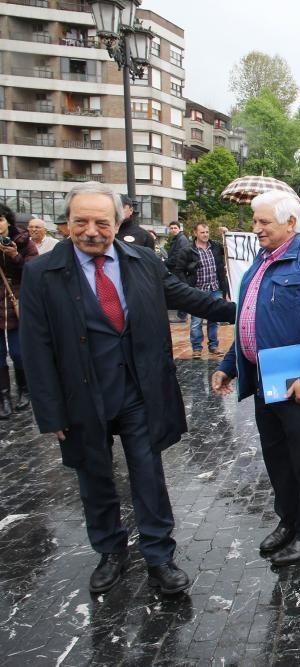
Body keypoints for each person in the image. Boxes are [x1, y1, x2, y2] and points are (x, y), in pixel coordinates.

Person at [19, 182, 236, 595]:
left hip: (139, 390)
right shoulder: (41, 273)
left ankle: (159, 557)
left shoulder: (143, 262)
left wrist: (246, 311)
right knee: (95, 478)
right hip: (81, 397)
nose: (91, 230)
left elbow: (190, 298)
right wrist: (50, 412)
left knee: (149, 475)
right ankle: (110, 552)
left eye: (102, 221)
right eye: (80, 221)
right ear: (66, 224)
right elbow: (35, 345)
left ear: (119, 221)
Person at [211, 190, 300, 567]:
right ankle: (289, 521)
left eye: (264, 222)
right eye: (255, 221)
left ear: (290, 223)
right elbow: (246, 322)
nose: (256, 229)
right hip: (264, 381)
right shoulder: (260, 262)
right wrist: (229, 364)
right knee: (277, 458)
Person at [0, 205, 38, 417]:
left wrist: (14, 255)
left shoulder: (24, 243)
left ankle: (25, 390)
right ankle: (3, 396)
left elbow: (33, 272)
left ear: (7, 221)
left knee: (18, 351)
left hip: (18, 303)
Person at [186, 223, 230, 357]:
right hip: (198, 290)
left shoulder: (215, 247)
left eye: (207, 232)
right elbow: (181, 268)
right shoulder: (189, 249)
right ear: (196, 233)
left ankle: (213, 346)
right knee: (196, 321)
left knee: (214, 319)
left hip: (215, 288)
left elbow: (230, 249)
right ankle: (197, 348)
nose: (205, 235)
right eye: (202, 232)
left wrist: (226, 234)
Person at [164, 221, 193, 324]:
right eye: (171, 228)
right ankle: (181, 314)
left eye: (175, 228)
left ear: (179, 228)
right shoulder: (177, 239)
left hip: (180, 270)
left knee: (181, 292)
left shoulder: (181, 239)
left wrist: (165, 262)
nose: (173, 230)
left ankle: (182, 315)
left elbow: (178, 256)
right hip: (177, 269)